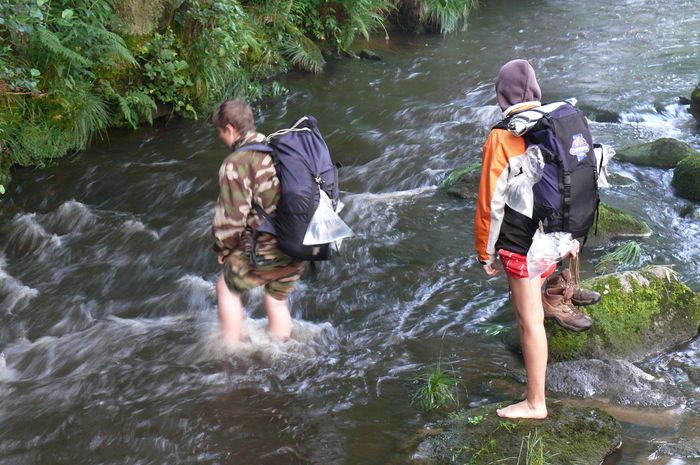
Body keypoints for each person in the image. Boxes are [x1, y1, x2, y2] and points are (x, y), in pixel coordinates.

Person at [474, 59, 589, 419]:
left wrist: (484, 252)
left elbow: (490, 201)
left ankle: (535, 403)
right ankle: (554, 296)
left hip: (523, 243)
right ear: (536, 90)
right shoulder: (558, 122)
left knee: (529, 322)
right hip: (556, 235)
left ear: (501, 96)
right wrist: (572, 237)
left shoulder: (502, 136)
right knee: (535, 302)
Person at [211, 99, 305, 343]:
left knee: (226, 287)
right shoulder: (276, 148)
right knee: (275, 300)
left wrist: (224, 249)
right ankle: (283, 351)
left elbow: (231, 217)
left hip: (270, 244)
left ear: (230, 128)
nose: (221, 138)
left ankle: (232, 351)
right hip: (299, 241)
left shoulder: (236, 163)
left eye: (220, 132)